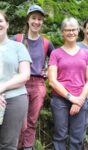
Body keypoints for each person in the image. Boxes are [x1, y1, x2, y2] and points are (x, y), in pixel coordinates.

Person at [48, 17, 88, 150]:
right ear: (62, 32)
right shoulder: (55, 54)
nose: (71, 33)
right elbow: (52, 80)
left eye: (74, 30)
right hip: (60, 100)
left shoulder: (86, 54)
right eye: (67, 30)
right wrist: (71, 98)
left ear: (78, 31)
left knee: (77, 138)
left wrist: (79, 100)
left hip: (80, 98)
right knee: (60, 135)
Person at [13, 4, 54, 150]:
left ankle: (28, 147)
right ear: (28, 20)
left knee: (32, 120)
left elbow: (56, 60)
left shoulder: (46, 43)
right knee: (19, 121)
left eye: (39, 19)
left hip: (38, 84)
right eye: (33, 18)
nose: (36, 22)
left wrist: (49, 73)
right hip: (19, 84)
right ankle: (15, 146)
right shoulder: (17, 39)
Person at [0, 11, 31, 149]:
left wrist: (2, 87)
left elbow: (25, 75)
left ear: (7, 24)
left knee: (8, 144)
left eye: (0, 21)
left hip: (14, 99)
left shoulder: (18, 47)